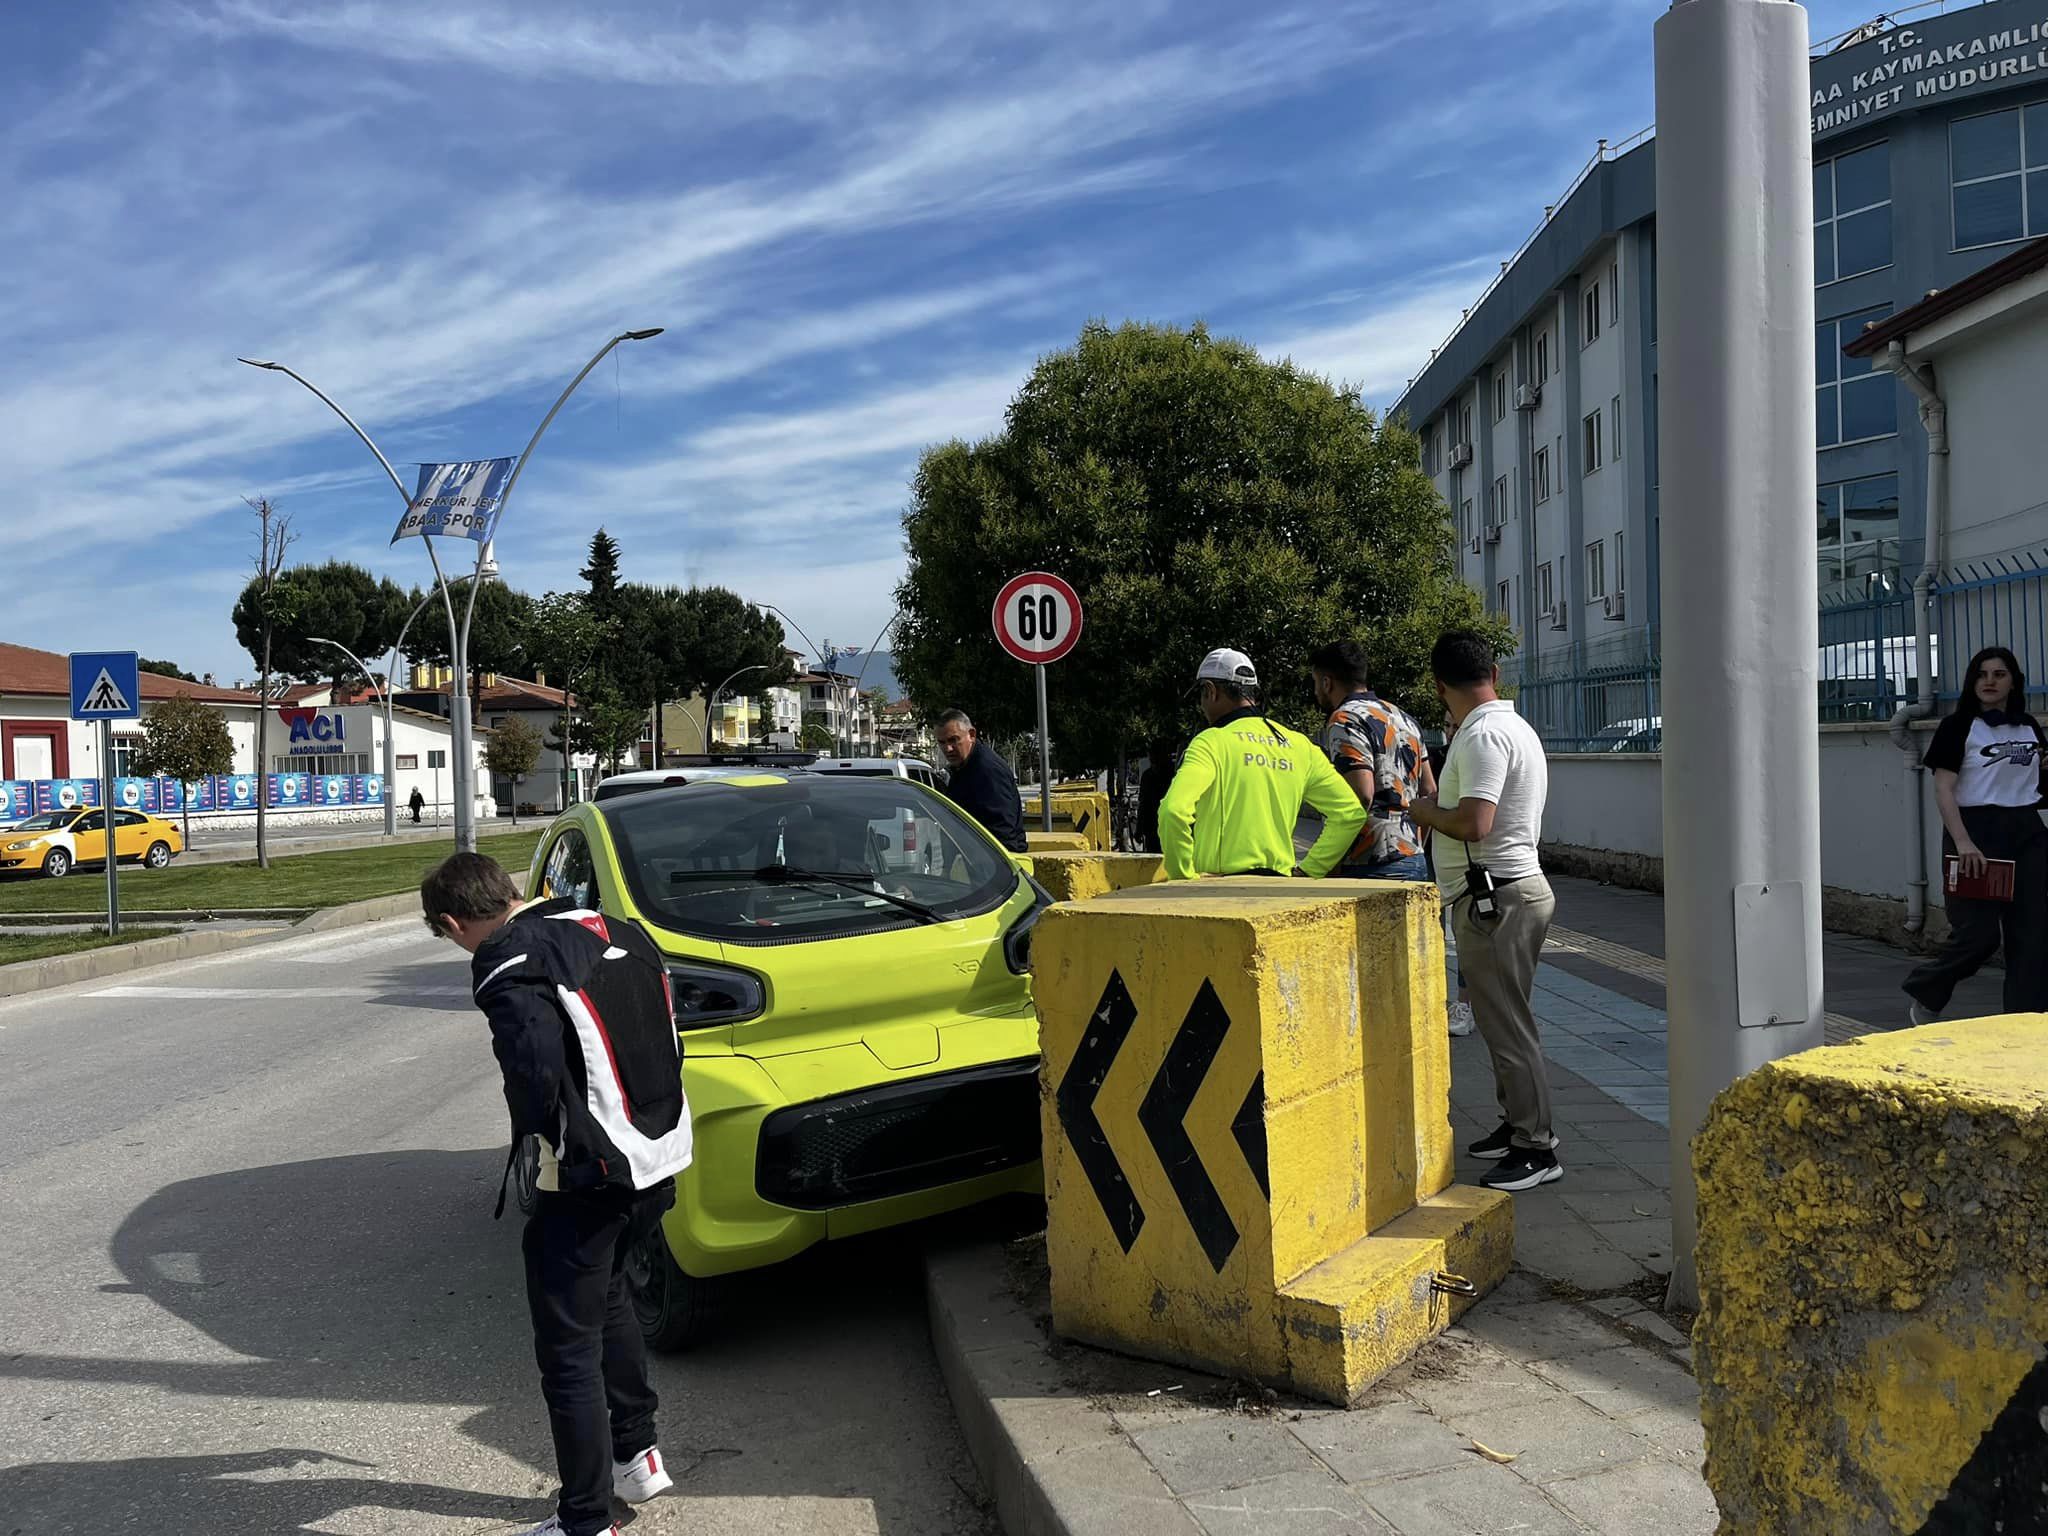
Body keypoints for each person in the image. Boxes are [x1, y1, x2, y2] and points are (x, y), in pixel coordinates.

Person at [422, 852, 692, 1536]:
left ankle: (585, 1519)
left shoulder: (509, 959)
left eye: (451, 936)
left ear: (455, 922)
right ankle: (638, 1454)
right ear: (511, 890)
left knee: (566, 1350)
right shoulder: (615, 927)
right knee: (610, 1298)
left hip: (591, 1172)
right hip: (660, 1151)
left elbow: (533, 1072)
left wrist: (548, 1139)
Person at [1408, 630, 1558, 1193]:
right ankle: (1519, 1125)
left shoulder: (1484, 737)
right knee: (1504, 1020)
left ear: (1440, 685)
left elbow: (1475, 823)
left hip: (1498, 898)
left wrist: (1427, 809)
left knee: (1508, 1026)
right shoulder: (1510, 726)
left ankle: (1535, 1147)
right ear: (1493, 671)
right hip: (1505, 893)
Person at [1902, 645, 2048, 1023]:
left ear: (2013, 681)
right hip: (1975, 837)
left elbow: (2034, 785)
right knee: (1978, 937)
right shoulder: (1958, 726)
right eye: (1982, 674)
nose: (1989, 681)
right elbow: (1943, 789)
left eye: (1999, 674)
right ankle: (1927, 992)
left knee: (2033, 937)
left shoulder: (2028, 726)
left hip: (2027, 834)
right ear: (1972, 682)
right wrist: (1963, 842)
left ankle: (2024, 1021)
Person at [1157, 649, 1366, 880]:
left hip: (1217, 893)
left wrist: (1184, 878)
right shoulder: (1299, 746)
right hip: (1277, 892)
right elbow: (1350, 813)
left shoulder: (1212, 742)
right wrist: (1310, 869)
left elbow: (1173, 812)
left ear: (1211, 691)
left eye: (1201, 694)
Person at [1309, 639, 1435, 882]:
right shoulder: (1403, 718)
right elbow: (1430, 791)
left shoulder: (1344, 719)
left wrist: (1328, 860)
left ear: (1327, 683)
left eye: (1316, 683)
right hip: (1414, 857)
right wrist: (1414, 845)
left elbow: (1361, 795)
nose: (1315, 691)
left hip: (1368, 863)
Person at [1426, 731, 1476, 1038]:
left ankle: (1465, 1004)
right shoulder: (1438, 757)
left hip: (1464, 862)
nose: (1452, 728)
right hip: (1432, 854)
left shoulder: (1476, 752)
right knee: (1436, 931)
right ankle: (1437, 1001)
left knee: (1464, 934)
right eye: (1447, 724)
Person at [933, 708, 1028, 853]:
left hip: (995, 867)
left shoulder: (987, 771)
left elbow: (1002, 833)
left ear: (971, 735)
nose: (948, 748)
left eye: (954, 740)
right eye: (942, 742)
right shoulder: (962, 768)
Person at [1135, 737, 1179, 855]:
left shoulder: (1149, 776)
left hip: (1159, 827)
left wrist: (1139, 829)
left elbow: (1143, 804)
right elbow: (1143, 804)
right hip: (1161, 828)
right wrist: (1139, 829)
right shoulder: (1174, 774)